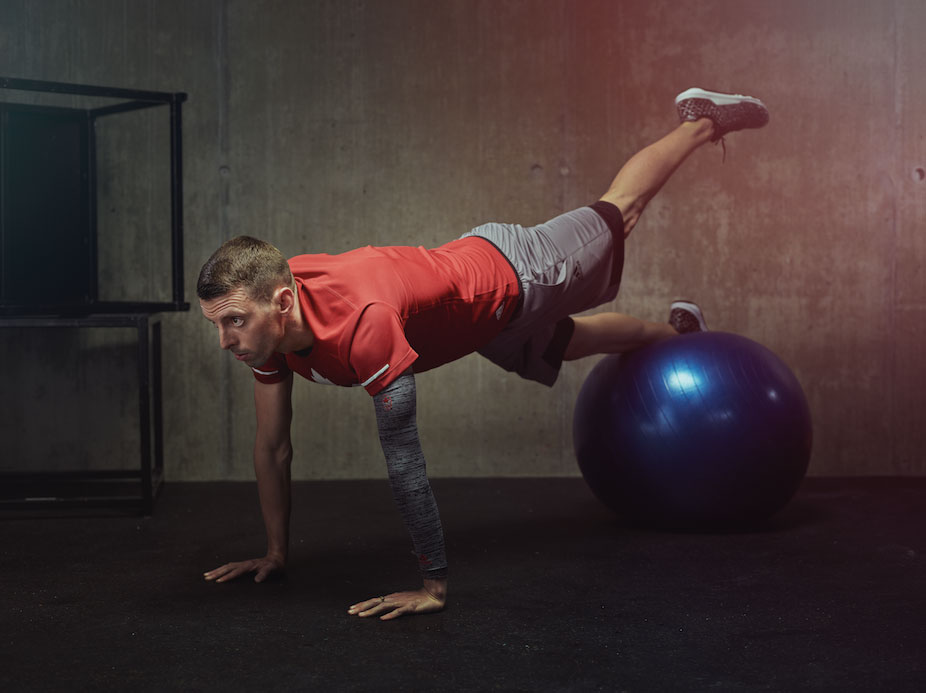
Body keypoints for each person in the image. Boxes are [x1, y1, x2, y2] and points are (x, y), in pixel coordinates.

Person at [197, 87, 769, 620]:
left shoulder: (364, 324)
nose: (226, 341)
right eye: (218, 324)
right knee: (567, 343)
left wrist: (433, 586)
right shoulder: (268, 325)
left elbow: (405, 462)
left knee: (621, 210)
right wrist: (276, 554)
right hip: (475, 323)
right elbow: (273, 448)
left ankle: (701, 121)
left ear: (283, 301)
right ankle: (676, 334)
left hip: (514, 271)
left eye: (234, 322)